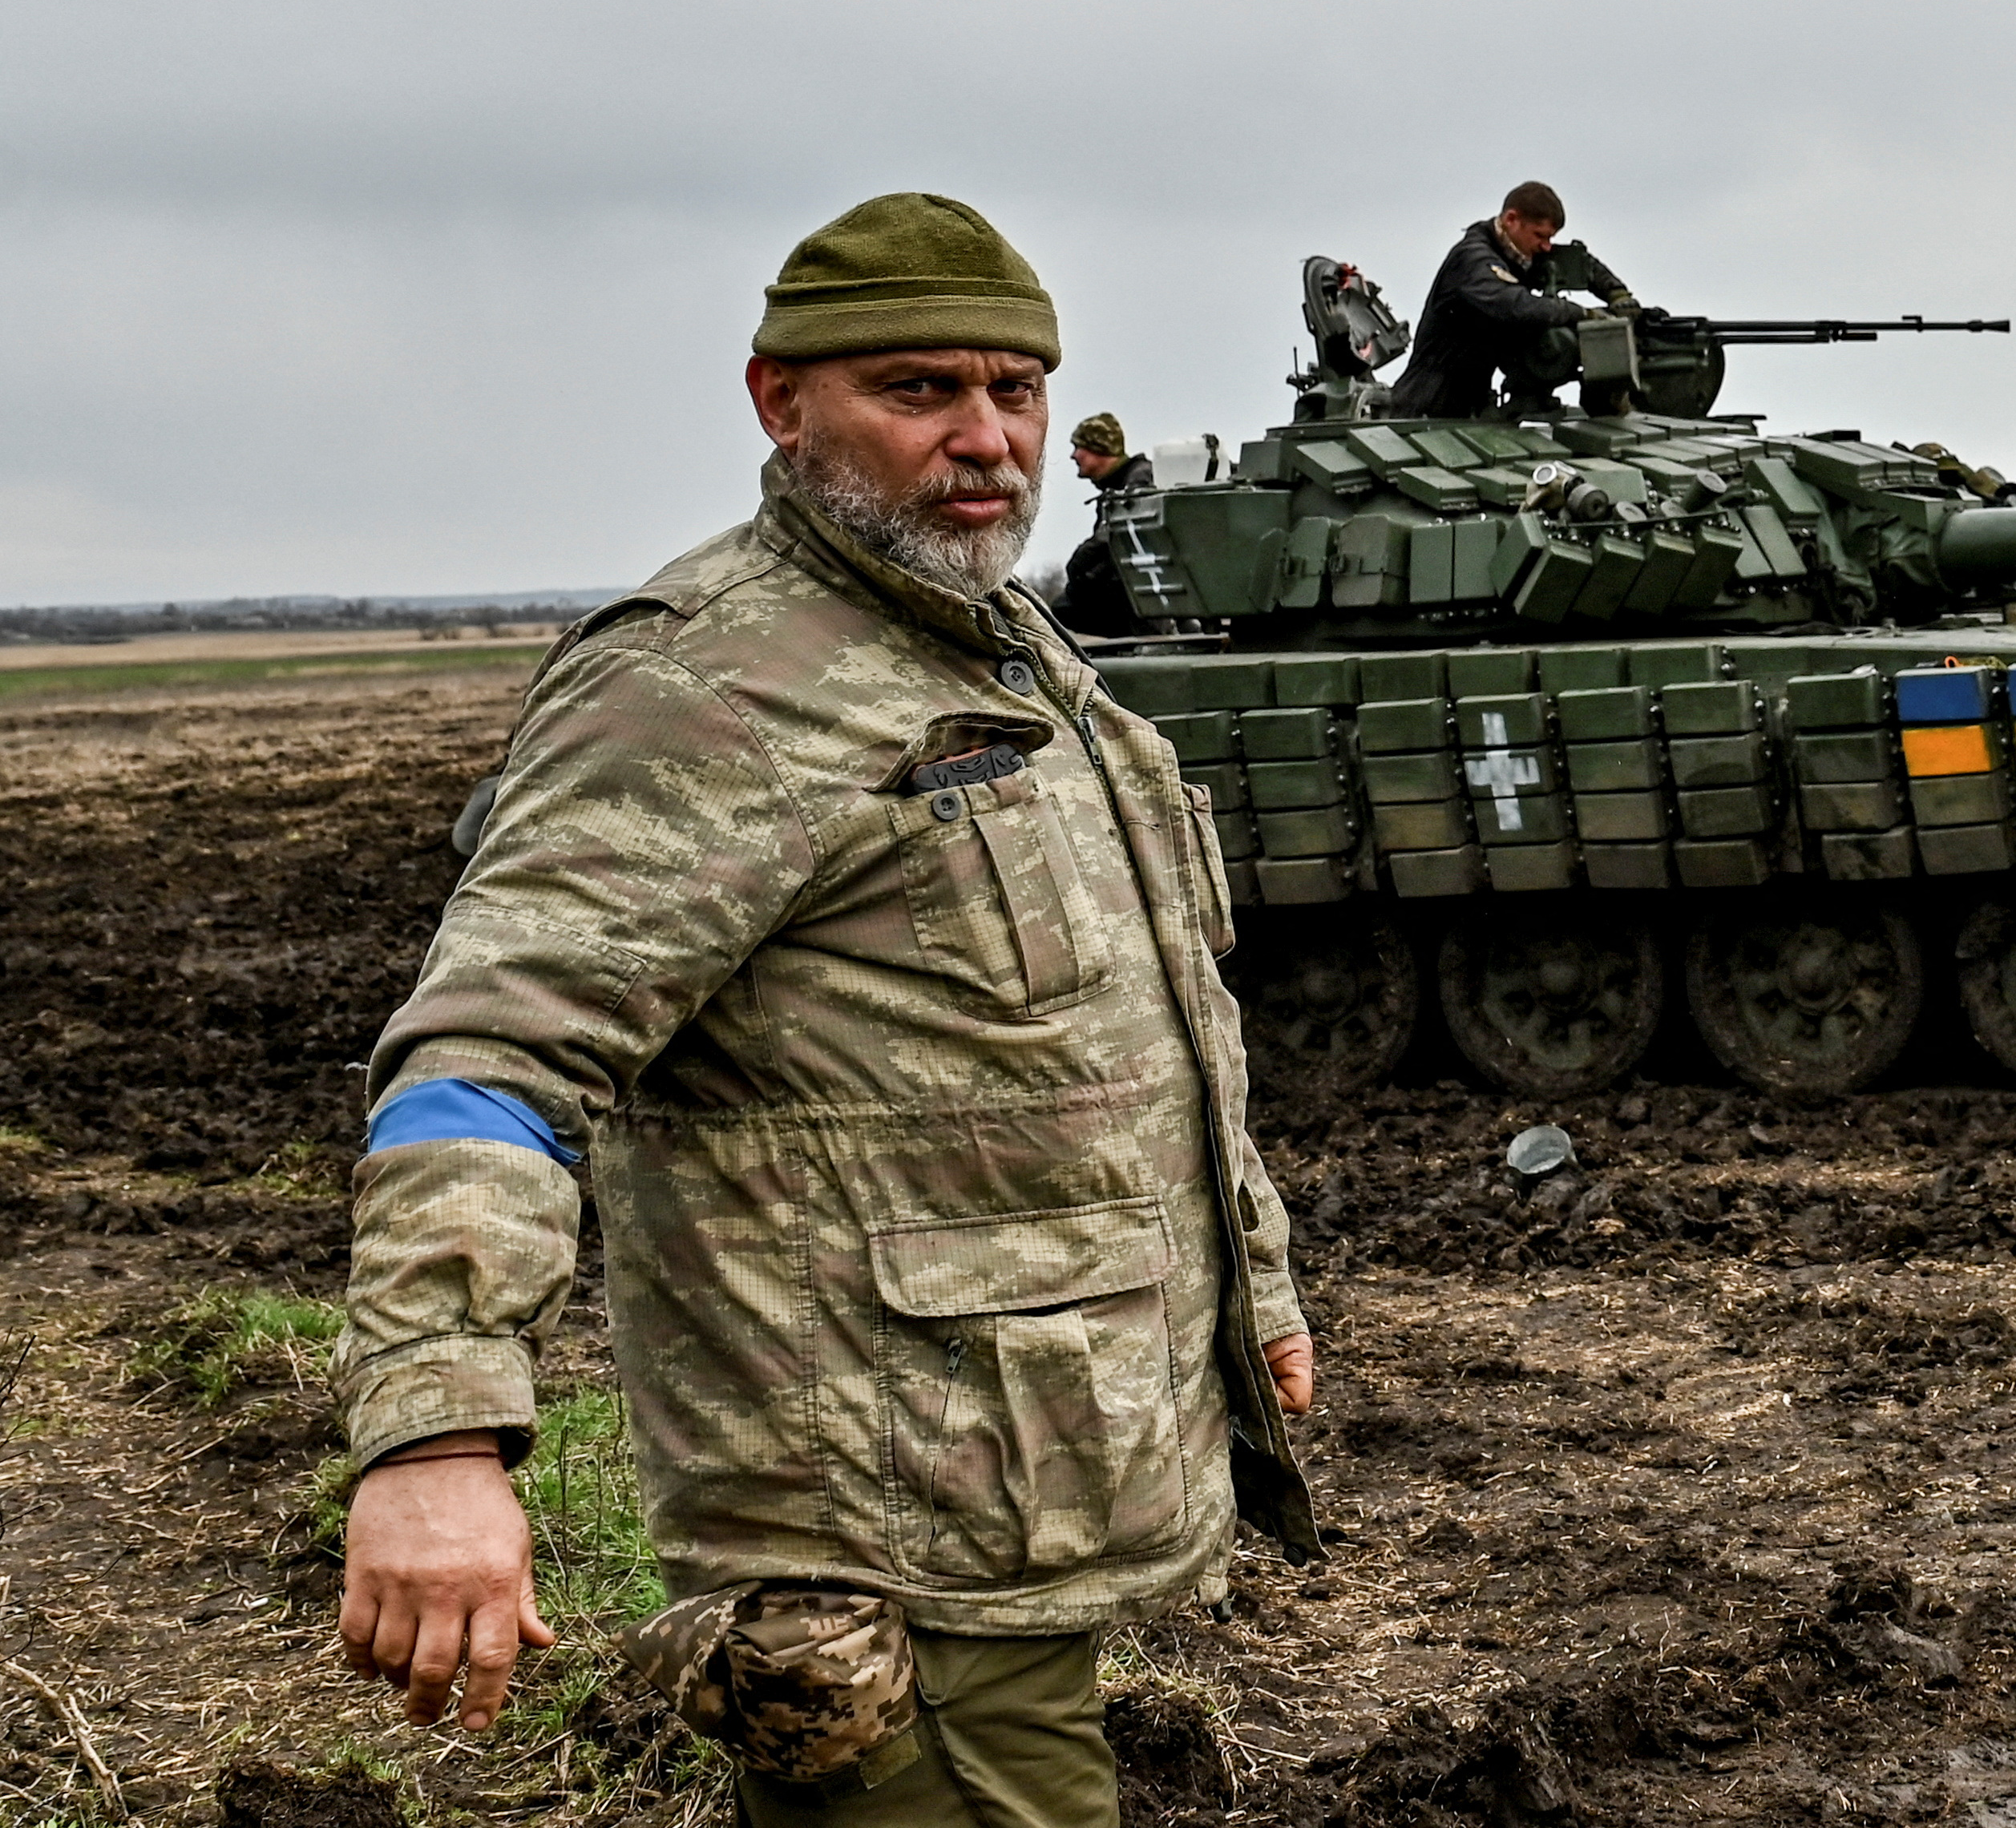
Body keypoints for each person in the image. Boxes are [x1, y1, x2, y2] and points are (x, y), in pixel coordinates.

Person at [331, 192, 1317, 1826]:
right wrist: (436, 1432)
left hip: (1013, 1484)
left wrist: (1248, 1283)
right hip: (867, 1518)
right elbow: (493, 1055)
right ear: (779, 402)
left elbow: (1114, 1034)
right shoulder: (706, 685)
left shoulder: (1005, 654)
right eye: (920, 390)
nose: (985, 437)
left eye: (1014, 390)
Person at [1385, 180, 1637, 418]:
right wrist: (1582, 314)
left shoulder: (1518, 253)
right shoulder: (1474, 259)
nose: (1546, 246)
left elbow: (1579, 265)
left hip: (1474, 401)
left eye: (1550, 238)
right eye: (1540, 236)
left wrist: (1618, 296)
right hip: (1428, 402)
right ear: (1511, 220)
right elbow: (1516, 306)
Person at [1057, 411, 1154, 637]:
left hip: (1139, 591)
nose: (1074, 456)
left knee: (1067, 608)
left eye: (1078, 447)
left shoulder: (1139, 480)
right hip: (1130, 589)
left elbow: (1123, 533)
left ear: (1098, 448)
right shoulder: (1118, 485)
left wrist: (1081, 562)